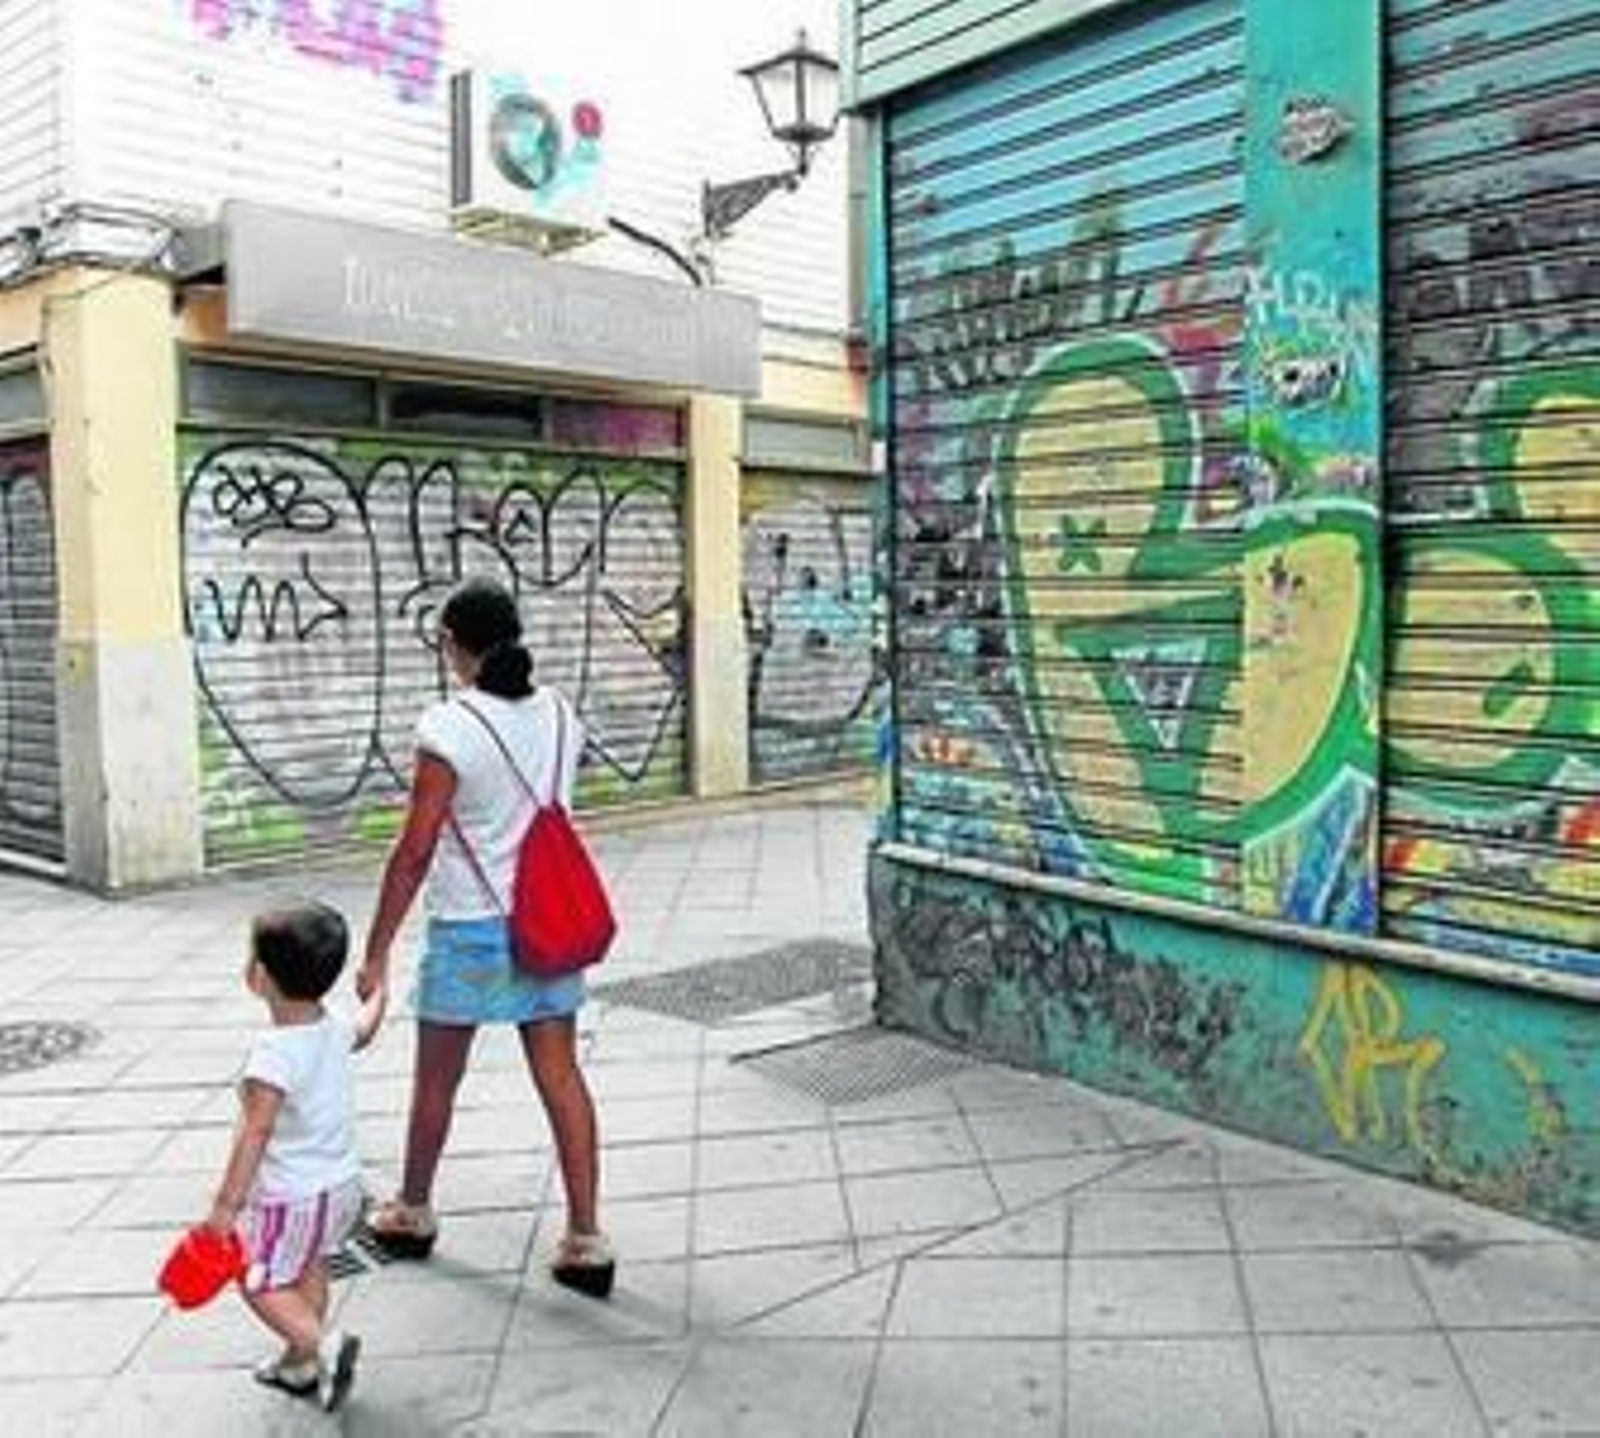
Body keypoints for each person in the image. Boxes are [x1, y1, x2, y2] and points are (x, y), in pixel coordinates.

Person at [355, 574, 614, 1298]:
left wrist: (376, 950)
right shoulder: (561, 712)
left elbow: (413, 851)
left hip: (471, 926)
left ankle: (411, 1208)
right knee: (561, 1076)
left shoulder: (447, 726)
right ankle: (586, 1236)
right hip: (546, 922)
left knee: (437, 1079)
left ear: (451, 644)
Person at [204, 901, 384, 1413]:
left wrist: (225, 1208)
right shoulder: (335, 1027)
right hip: (343, 1188)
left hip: (293, 1196)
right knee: (308, 1265)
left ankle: (320, 1344)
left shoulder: (272, 1055)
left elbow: (255, 1132)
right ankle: (299, 1363)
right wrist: (380, 994)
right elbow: (367, 1027)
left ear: (259, 976)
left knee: (256, 1277)